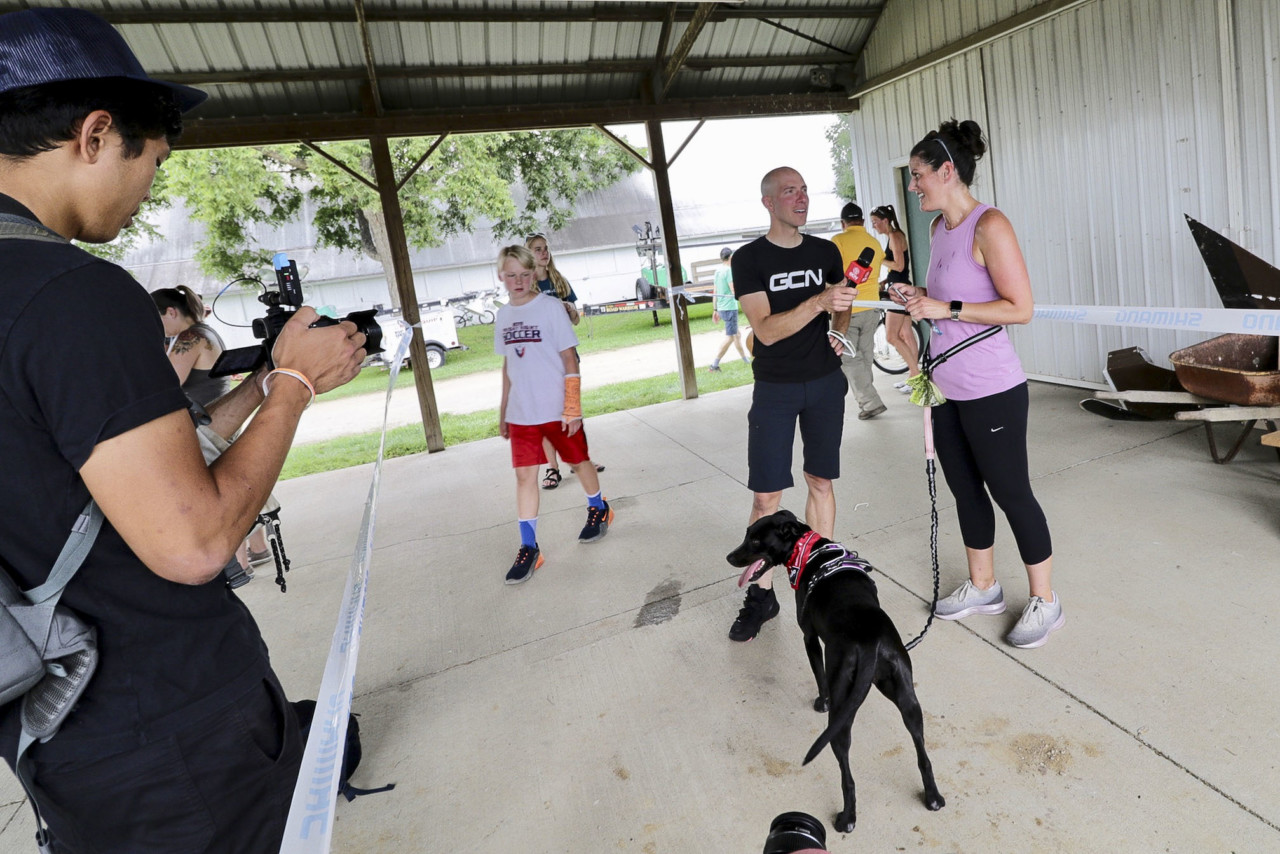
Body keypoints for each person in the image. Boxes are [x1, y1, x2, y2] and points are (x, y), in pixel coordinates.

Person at [0, 9, 367, 852]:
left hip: (54, 728)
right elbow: (193, 539)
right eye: (152, 161)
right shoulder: (71, 293)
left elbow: (95, 467)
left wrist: (265, 383)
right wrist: (298, 388)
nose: (150, 189)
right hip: (171, 727)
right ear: (96, 134)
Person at [896, 118, 1062, 649]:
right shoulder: (937, 230)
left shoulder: (990, 225)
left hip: (992, 387)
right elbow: (949, 295)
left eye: (919, 174)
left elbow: (1021, 308)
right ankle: (984, 587)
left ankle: (1046, 602)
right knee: (966, 491)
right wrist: (915, 294)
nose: (913, 184)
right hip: (944, 386)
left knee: (1012, 493)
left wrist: (945, 306)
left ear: (948, 171)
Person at [727, 166, 856, 642]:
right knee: (766, 498)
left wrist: (839, 325)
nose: (801, 198)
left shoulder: (825, 251)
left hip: (824, 382)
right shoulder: (749, 259)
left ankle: (820, 578)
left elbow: (843, 298)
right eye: (789, 191)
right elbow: (765, 329)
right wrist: (819, 302)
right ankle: (761, 597)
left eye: (804, 190)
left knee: (820, 481)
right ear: (769, 202)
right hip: (776, 389)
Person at [494, 245, 614, 585]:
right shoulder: (503, 316)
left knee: (578, 462)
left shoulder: (549, 309)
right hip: (522, 413)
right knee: (523, 477)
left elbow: (569, 360)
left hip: (558, 408)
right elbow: (508, 365)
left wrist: (572, 406)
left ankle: (598, 507)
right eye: (510, 275)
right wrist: (504, 410)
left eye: (524, 274)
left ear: (534, 274)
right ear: (501, 276)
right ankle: (529, 547)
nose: (517, 281)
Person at [525, 232, 604, 488]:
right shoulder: (526, 286)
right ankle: (552, 468)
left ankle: (581, 460)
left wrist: (569, 310)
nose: (544, 253)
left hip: (567, 357)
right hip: (543, 361)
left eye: (546, 248)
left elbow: (576, 319)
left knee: (572, 410)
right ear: (528, 254)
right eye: (538, 249)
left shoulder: (560, 281)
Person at [829, 202, 887, 419]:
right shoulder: (874, 242)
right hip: (872, 307)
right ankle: (868, 399)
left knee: (848, 357)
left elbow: (831, 274)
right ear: (862, 221)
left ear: (843, 223)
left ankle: (870, 402)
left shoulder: (838, 241)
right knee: (865, 355)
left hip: (847, 307)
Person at [869, 204, 922, 393]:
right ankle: (913, 377)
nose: (874, 226)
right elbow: (899, 268)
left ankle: (916, 376)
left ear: (885, 221)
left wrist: (878, 260)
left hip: (898, 292)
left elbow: (899, 266)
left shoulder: (894, 236)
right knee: (906, 334)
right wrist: (885, 280)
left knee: (892, 336)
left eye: (876, 222)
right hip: (897, 286)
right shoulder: (895, 235)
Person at [151, 285, 229, 407]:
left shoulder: (191, 337)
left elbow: (166, 385)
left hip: (208, 420)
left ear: (171, 312)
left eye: (155, 319)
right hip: (214, 414)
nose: (154, 326)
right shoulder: (203, 331)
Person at [708, 246, 750, 372]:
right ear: (731, 257)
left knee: (737, 335)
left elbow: (715, 291)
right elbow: (734, 290)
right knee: (731, 336)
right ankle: (714, 364)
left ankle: (746, 360)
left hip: (721, 307)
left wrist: (715, 309)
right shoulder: (728, 271)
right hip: (730, 308)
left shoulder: (718, 271)